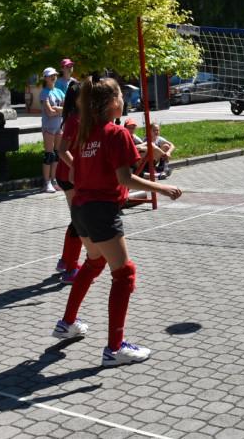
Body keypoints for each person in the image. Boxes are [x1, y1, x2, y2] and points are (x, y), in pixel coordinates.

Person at [52, 77, 182, 367]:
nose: (124, 99)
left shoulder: (87, 133)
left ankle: (67, 323)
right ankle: (115, 348)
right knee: (124, 274)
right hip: (101, 211)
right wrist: (163, 188)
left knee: (94, 262)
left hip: (81, 210)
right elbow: (124, 177)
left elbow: (75, 177)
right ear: (113, 103)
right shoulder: (116, 133)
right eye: (121, 95)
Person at [54, 82, 83, 284]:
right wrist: (78, 167)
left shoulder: (78, 119)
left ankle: (65, 261)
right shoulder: (74, 120)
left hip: (69, 176)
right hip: (69, 176)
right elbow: (62, 150)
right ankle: (71, 269)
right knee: (80, 221)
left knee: (77, 219)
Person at [39, 67, 66, 194]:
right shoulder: (44, 92)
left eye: (54, 75)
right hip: (49, 127)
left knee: (57, 154)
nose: (53, 77)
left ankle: (54, 180)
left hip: (59, 126)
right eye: (50, 75)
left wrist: (58, 108)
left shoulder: (59, 91)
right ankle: (47, 182)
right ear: (45, 78)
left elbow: (67, 108)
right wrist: (59, 109)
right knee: (49, 155)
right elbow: (49, 112)